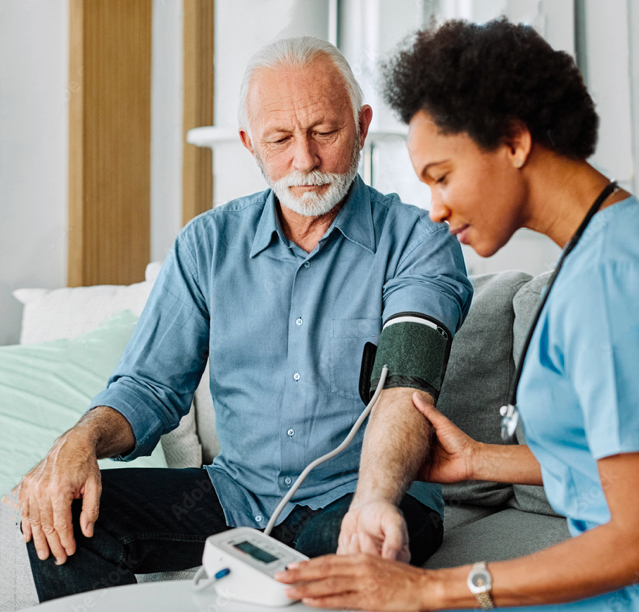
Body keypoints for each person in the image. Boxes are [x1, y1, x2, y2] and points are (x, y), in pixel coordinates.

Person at [12, 36, 472, 602]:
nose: (305, 160)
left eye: (325, 132)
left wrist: (373, 499)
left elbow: (405, 388)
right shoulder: (207, 244)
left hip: (368, 496)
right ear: (250, 143)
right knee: (63, 515)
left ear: (361, 125)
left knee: (332, 550)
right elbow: (149, 386)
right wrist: (81, 438)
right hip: (237, 495)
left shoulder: (420, 241)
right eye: (279, 140)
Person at [277, 18, 639, 611]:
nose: (436, 210)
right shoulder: (611, 245)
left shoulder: (609, 281)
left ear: (513, 141)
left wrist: (430, 588)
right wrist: (477, 459)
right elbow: (610, 466)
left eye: (441, 177)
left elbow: (633, 538)